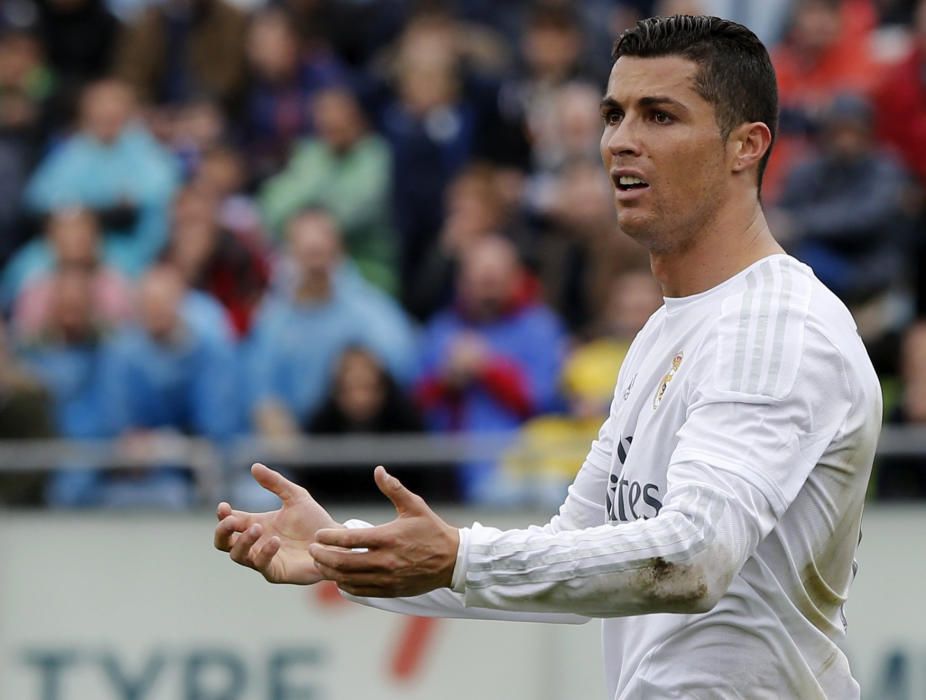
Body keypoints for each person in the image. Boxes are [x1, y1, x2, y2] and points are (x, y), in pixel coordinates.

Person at [214, 16, 881, 699]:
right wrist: (342, 550)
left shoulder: (776, 326)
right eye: (614, 115)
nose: (622, 141)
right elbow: (573, 555)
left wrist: (462, 557)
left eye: (660, 116)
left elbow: (694, 557)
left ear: (747, 145)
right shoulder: (664, 332)